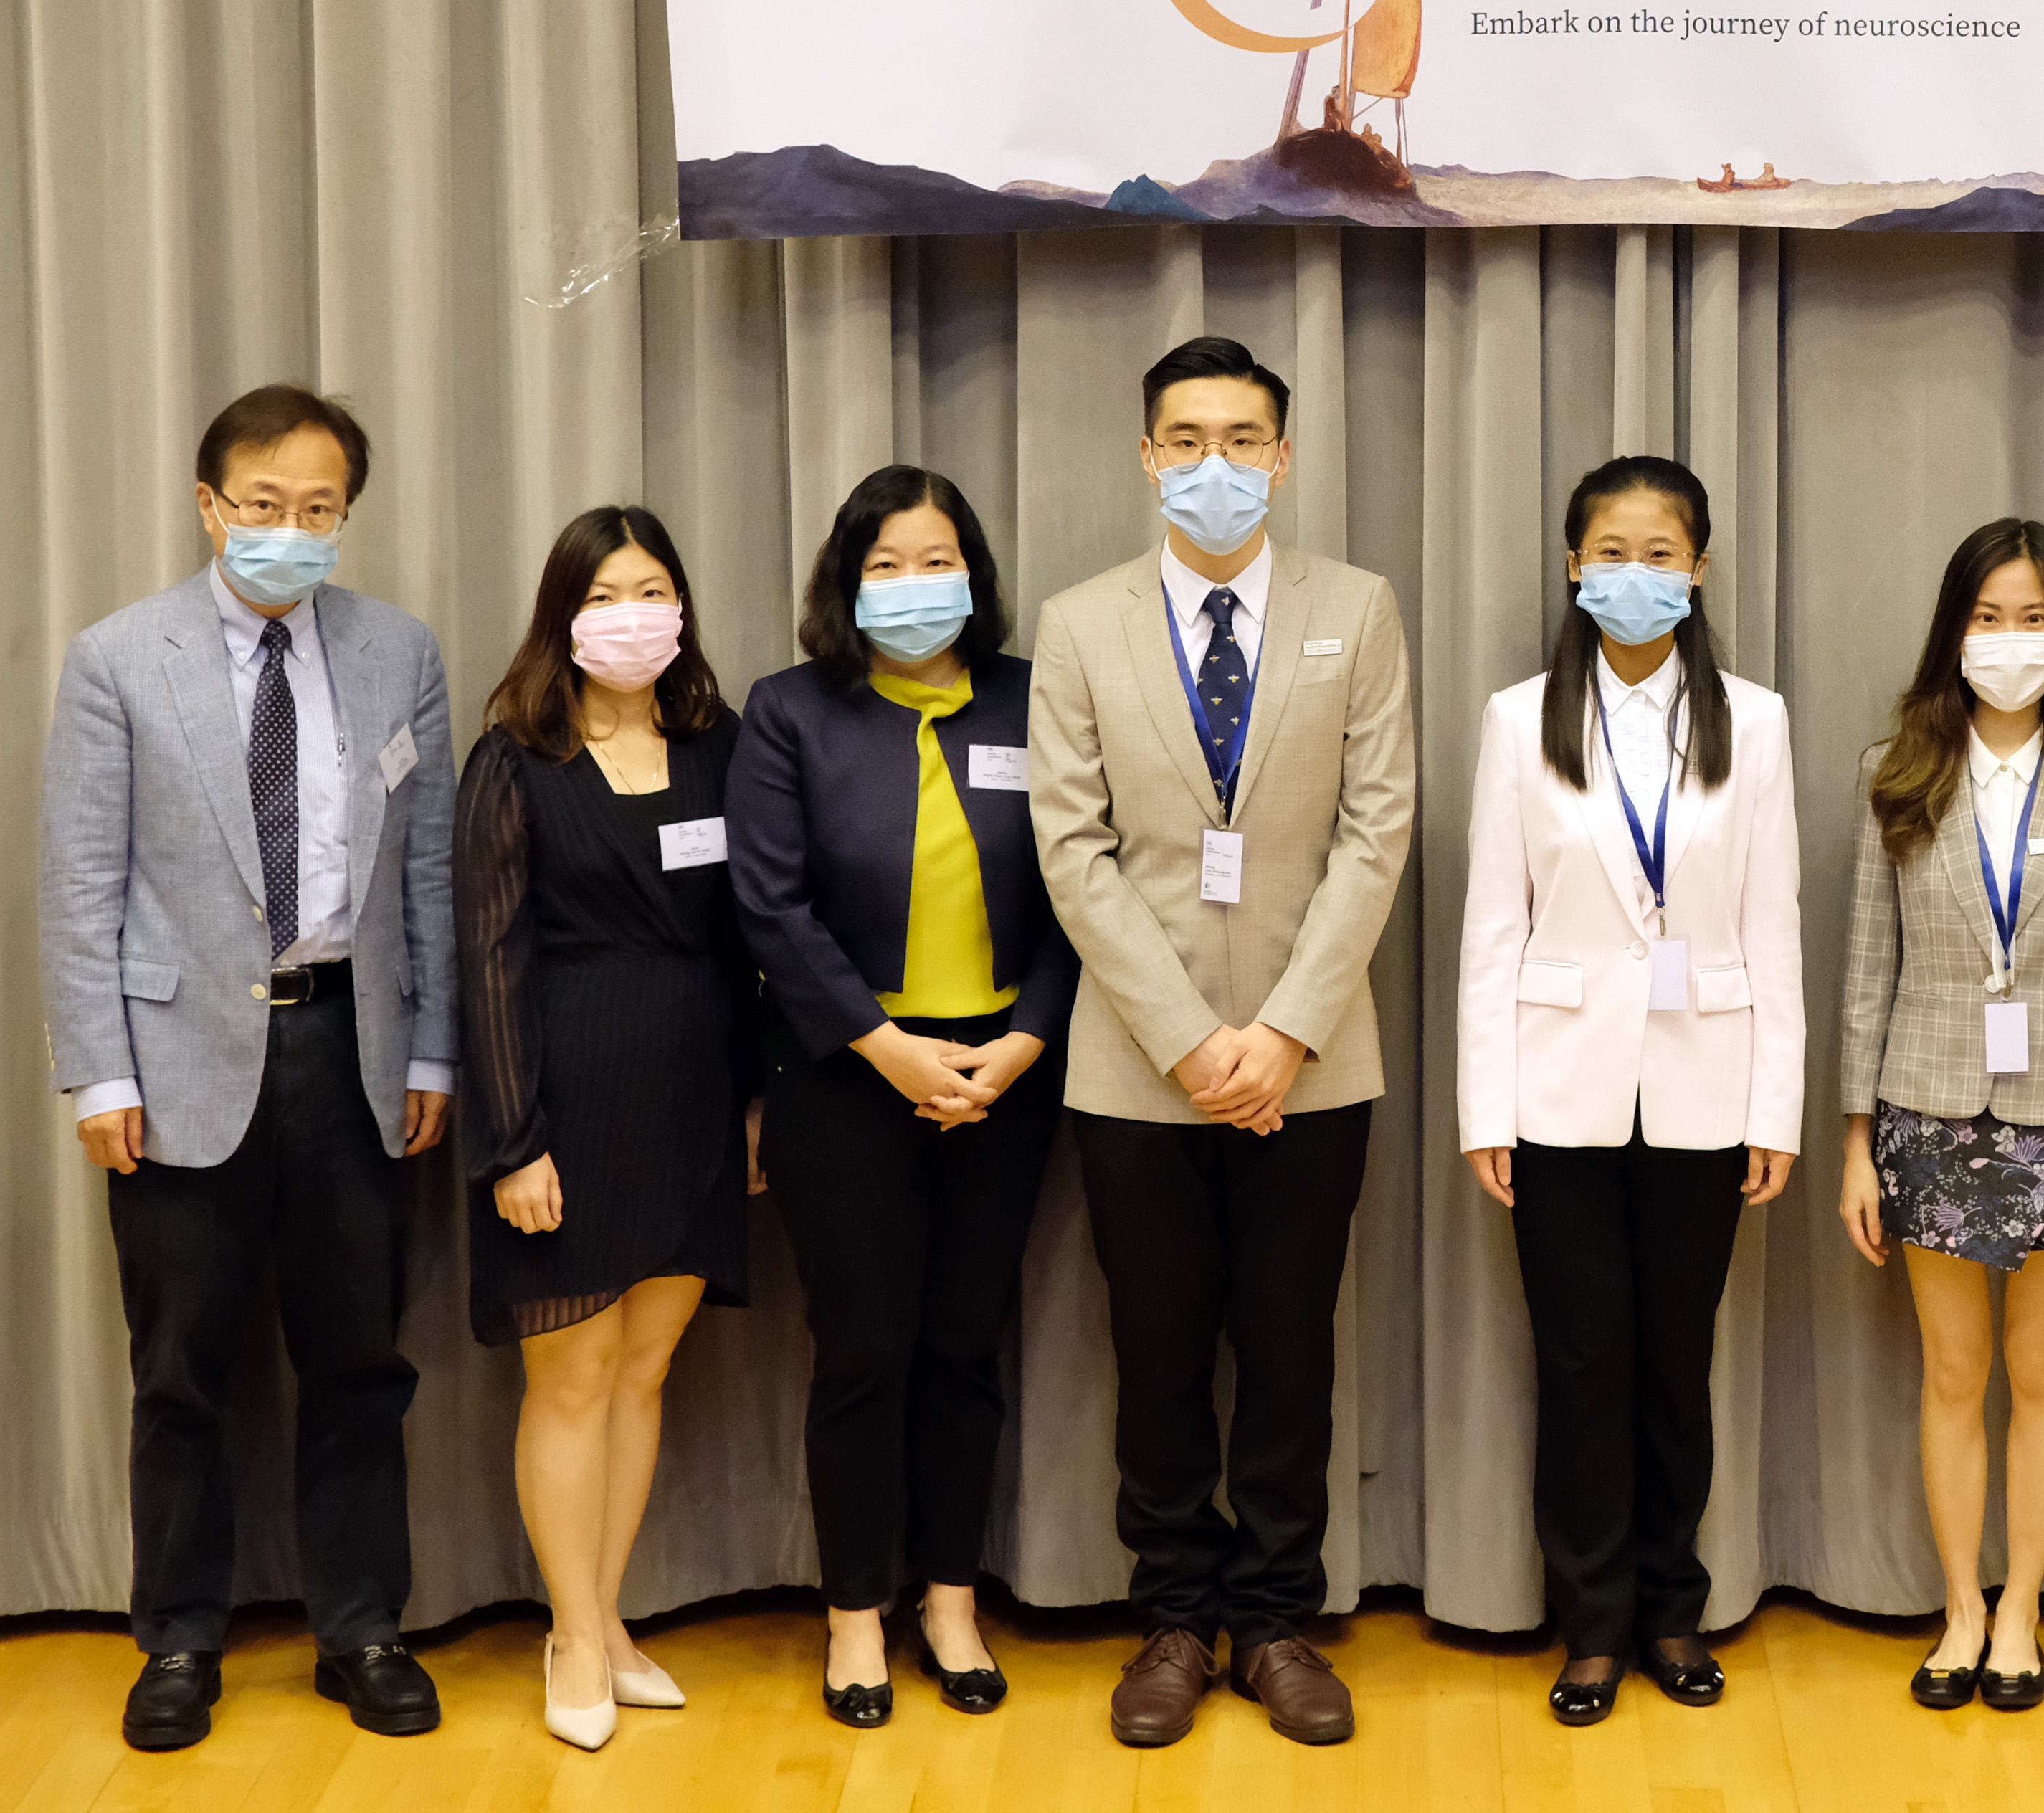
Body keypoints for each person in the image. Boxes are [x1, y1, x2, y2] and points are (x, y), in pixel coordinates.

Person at [35, 384, 455, 1752]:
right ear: (210, 504)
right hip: (175, 1059)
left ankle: (363, 1625)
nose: (290, 530)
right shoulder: (118, 657)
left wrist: (433, 1040)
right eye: (263, 506)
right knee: (182, 1369)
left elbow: (429, 875)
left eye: (319, 509)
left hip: (352, 1043)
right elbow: (79, 881)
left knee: (358, 1359)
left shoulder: (400, 654)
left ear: (347, 517)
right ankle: (177, 1639)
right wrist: (98, 1073)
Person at [1025, 336, 1417, 1751]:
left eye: (1242, 439)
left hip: (1316, 1070)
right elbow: (1070, 849)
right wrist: (1193, 1040)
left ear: (1283, 457)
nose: (1213, 466)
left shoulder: (1357, 610)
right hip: (1138, 1071)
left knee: (1292, 1349)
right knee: (1160, 1349)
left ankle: (1276, 1621)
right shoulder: (1080, 623)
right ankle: (1176, 1620)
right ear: (1145, 458)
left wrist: (1286, 1032)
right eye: (1185, 439)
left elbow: (1378, 831)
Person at [727, 467, 1082, 1731]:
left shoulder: (1037, 699)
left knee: (964, 1345)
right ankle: (855, 1615)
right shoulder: (790, 712)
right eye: (886, 563)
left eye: (936, 560)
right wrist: (889, 1049)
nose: (914, 585)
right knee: (864, 1349)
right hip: (846, 1080)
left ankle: (948, 1598)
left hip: (1008, 1076)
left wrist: (1028, 1036)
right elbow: (768, 904)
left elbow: (1082, 887)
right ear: (848, 580)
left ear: (974, 574)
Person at [1459, 456, 1805, 1726]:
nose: (1637, 573)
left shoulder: (1755, 719)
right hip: (1555, 1095)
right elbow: (1494, 924)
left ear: (1700, 568)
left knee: (1674, 1365)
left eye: (1663, 551)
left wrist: (1775, 1110)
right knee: (1582, 1361)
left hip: (1706, 1091)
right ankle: (1590, 1622)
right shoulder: (1516, 718)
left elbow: (1774, 923)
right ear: (1572, 565)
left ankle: (1673, 1605)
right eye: (1613, 548)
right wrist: (1483, 1110)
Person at [452, 507, 761, 1749]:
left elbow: (755, 942)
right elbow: (485, 958)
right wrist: (514, 1141)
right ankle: (570, 1633)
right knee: (570, 1374)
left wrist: (751, 1103)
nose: (632, 611)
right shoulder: (514, 758)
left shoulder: (720, 743)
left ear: (680, 608)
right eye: (605, 592)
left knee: (645, 1366)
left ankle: (612, 1612)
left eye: (654, 588)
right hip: (564, 1099)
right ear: (563, 616)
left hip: (694, 1096)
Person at [1837, 516, 2044, 1715]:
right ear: (1952, 631)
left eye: (2033, 617)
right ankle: (1957, 1607)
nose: (2009, 640)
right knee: (1952, 1368)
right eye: (1987, 617)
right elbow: (1866, 971)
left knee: (2040, 1367)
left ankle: (2021, 1603)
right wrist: (1855, 1146)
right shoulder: (1898, 771)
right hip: (1924, 1111)